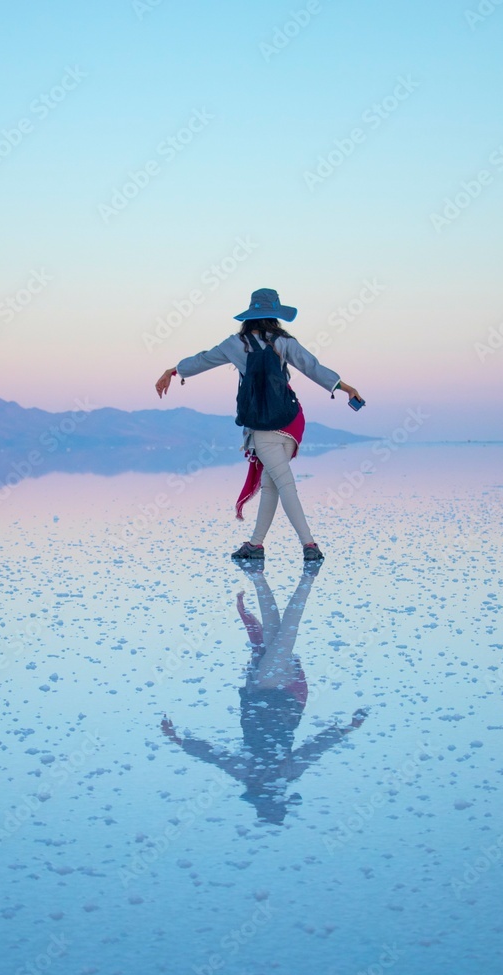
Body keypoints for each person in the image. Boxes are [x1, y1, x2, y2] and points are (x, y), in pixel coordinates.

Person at [155, 288, 364, 562]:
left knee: (283, 483)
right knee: (272, 483)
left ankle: (309, 544)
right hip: (290, 422)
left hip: (261, 427)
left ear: (250, 316)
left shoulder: (235, 344)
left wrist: (173, 370)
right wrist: (344, 387)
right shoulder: (283, 342)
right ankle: (256, 545)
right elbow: (312, 366)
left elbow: (203, 359)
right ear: (275, 316)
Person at [161, 566, 368, 824]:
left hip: (266, 688)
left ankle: (265, 576)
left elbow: (216, 756)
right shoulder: (284, 772)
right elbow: (315, 748)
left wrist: (180, 740)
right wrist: (347, 728)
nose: (271, 788)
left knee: (277, 630)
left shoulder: (248, 772)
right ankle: (301, 575)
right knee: (286, 630)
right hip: (284, 693)